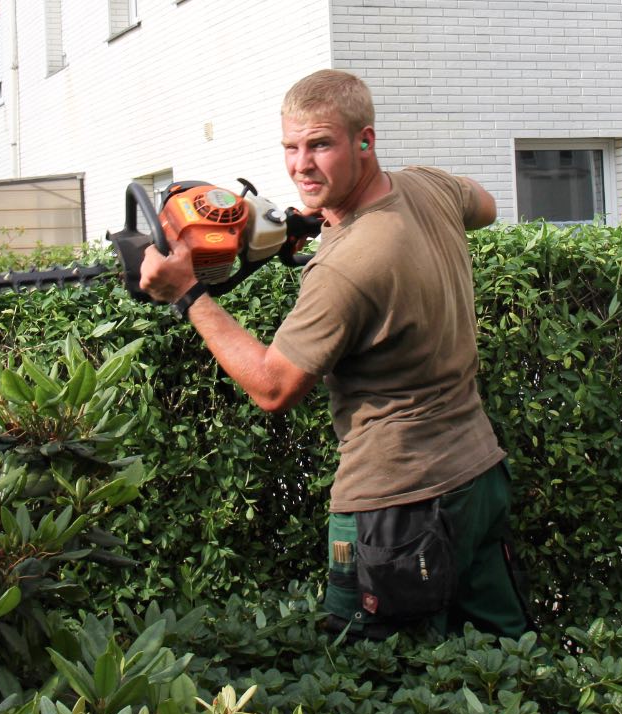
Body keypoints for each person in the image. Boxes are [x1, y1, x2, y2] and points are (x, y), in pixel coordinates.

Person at [140, 69, 531, 640]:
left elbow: (272, 388)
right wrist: (329, 218)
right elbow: (487, 205)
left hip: (397, 506)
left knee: (379, 688)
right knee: (505, 663)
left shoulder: (345, 267)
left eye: (321, 145)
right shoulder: (427, 187)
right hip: (477, 475)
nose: (301, 165)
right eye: (291, 148)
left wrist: (187, 294)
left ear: (365, 141)